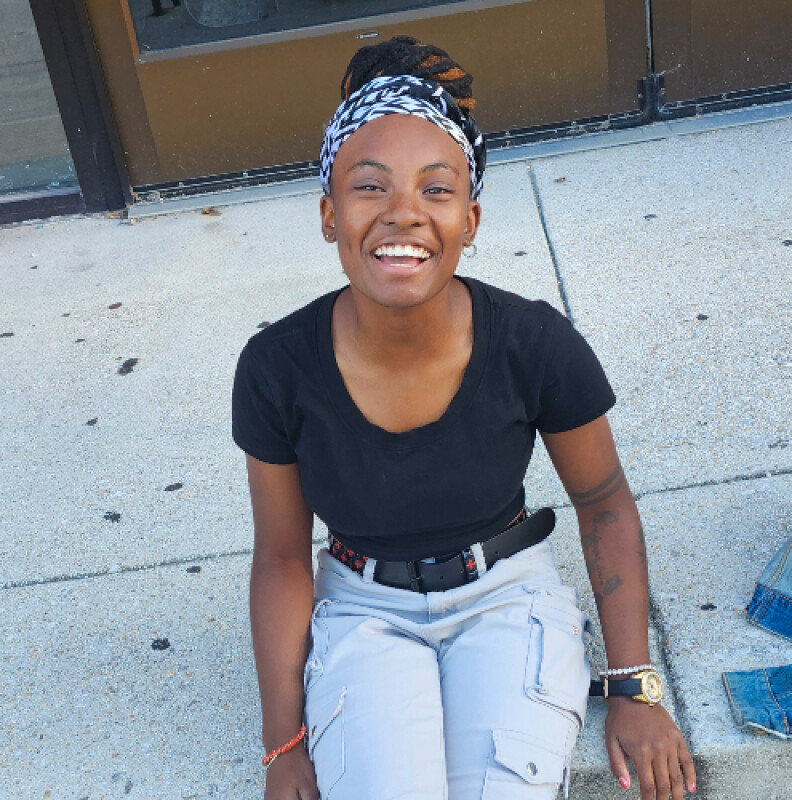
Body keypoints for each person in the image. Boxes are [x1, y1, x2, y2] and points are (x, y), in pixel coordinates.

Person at [232, 35, 697, 800]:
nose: (403, 214)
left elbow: (605, 503)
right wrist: (282, 742)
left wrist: (633, 685)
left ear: (471, 218)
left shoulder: (533, 343)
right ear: (328, 213)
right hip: (363, 608)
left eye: (437, 189)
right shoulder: (277, 368)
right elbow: (282, 558)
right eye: (370, 187)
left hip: (505, 596)